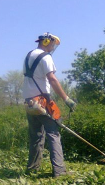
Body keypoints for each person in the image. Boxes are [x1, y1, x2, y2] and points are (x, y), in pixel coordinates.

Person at [22, 32, 76, 177]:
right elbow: (52, 79)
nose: (53, 47)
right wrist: (66, 99)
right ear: (46, 42)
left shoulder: (29, 56)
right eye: (52, 44)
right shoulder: (45, 57)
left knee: (36, 136)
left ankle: (32, 169)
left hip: (29, 102)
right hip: (42, 101)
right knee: (53, 134)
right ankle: (59, 171)